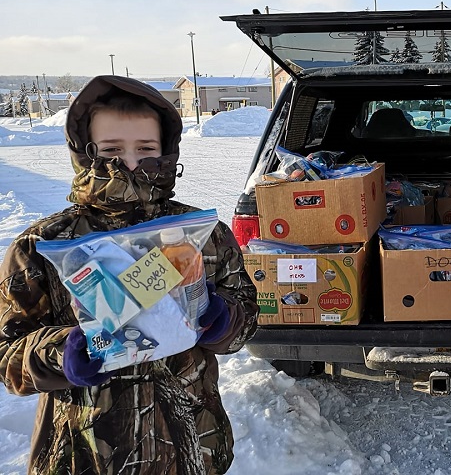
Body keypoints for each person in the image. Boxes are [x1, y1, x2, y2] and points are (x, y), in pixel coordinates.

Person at [0, 75, 259, 475]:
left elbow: (246, 318)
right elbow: (6, 353)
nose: (130, 164)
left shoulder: (204, 236)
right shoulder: (43, 245)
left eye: (146, 149)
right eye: (111, 150)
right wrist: (61, 353)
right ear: (84, 153)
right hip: (83, 456)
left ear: (167, 150)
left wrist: (224, 320)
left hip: (192, 449)